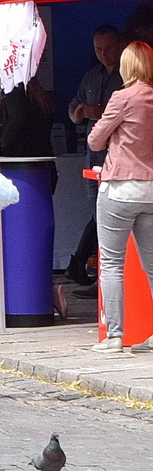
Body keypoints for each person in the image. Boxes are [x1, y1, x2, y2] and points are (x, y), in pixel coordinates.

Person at [87, 39, 153, 353]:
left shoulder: (122, 97)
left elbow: (95, 141)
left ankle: (114, 335)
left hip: (120, 188)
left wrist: (113, 133)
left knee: (112, 264)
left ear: (127, 66)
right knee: (152, 265)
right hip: (151, 190)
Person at [66, 25, 125, 287]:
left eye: (108, 48)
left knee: (110, 220)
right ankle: (81, 266)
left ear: (120, 46)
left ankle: (85, 268)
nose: (103, 54)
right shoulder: (91, 77)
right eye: (98, 49)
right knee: (98, 215)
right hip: (93, 159)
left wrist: (99, 111)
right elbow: (72, 109)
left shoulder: (128, 78)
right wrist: (78, 113)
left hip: (120, 161)